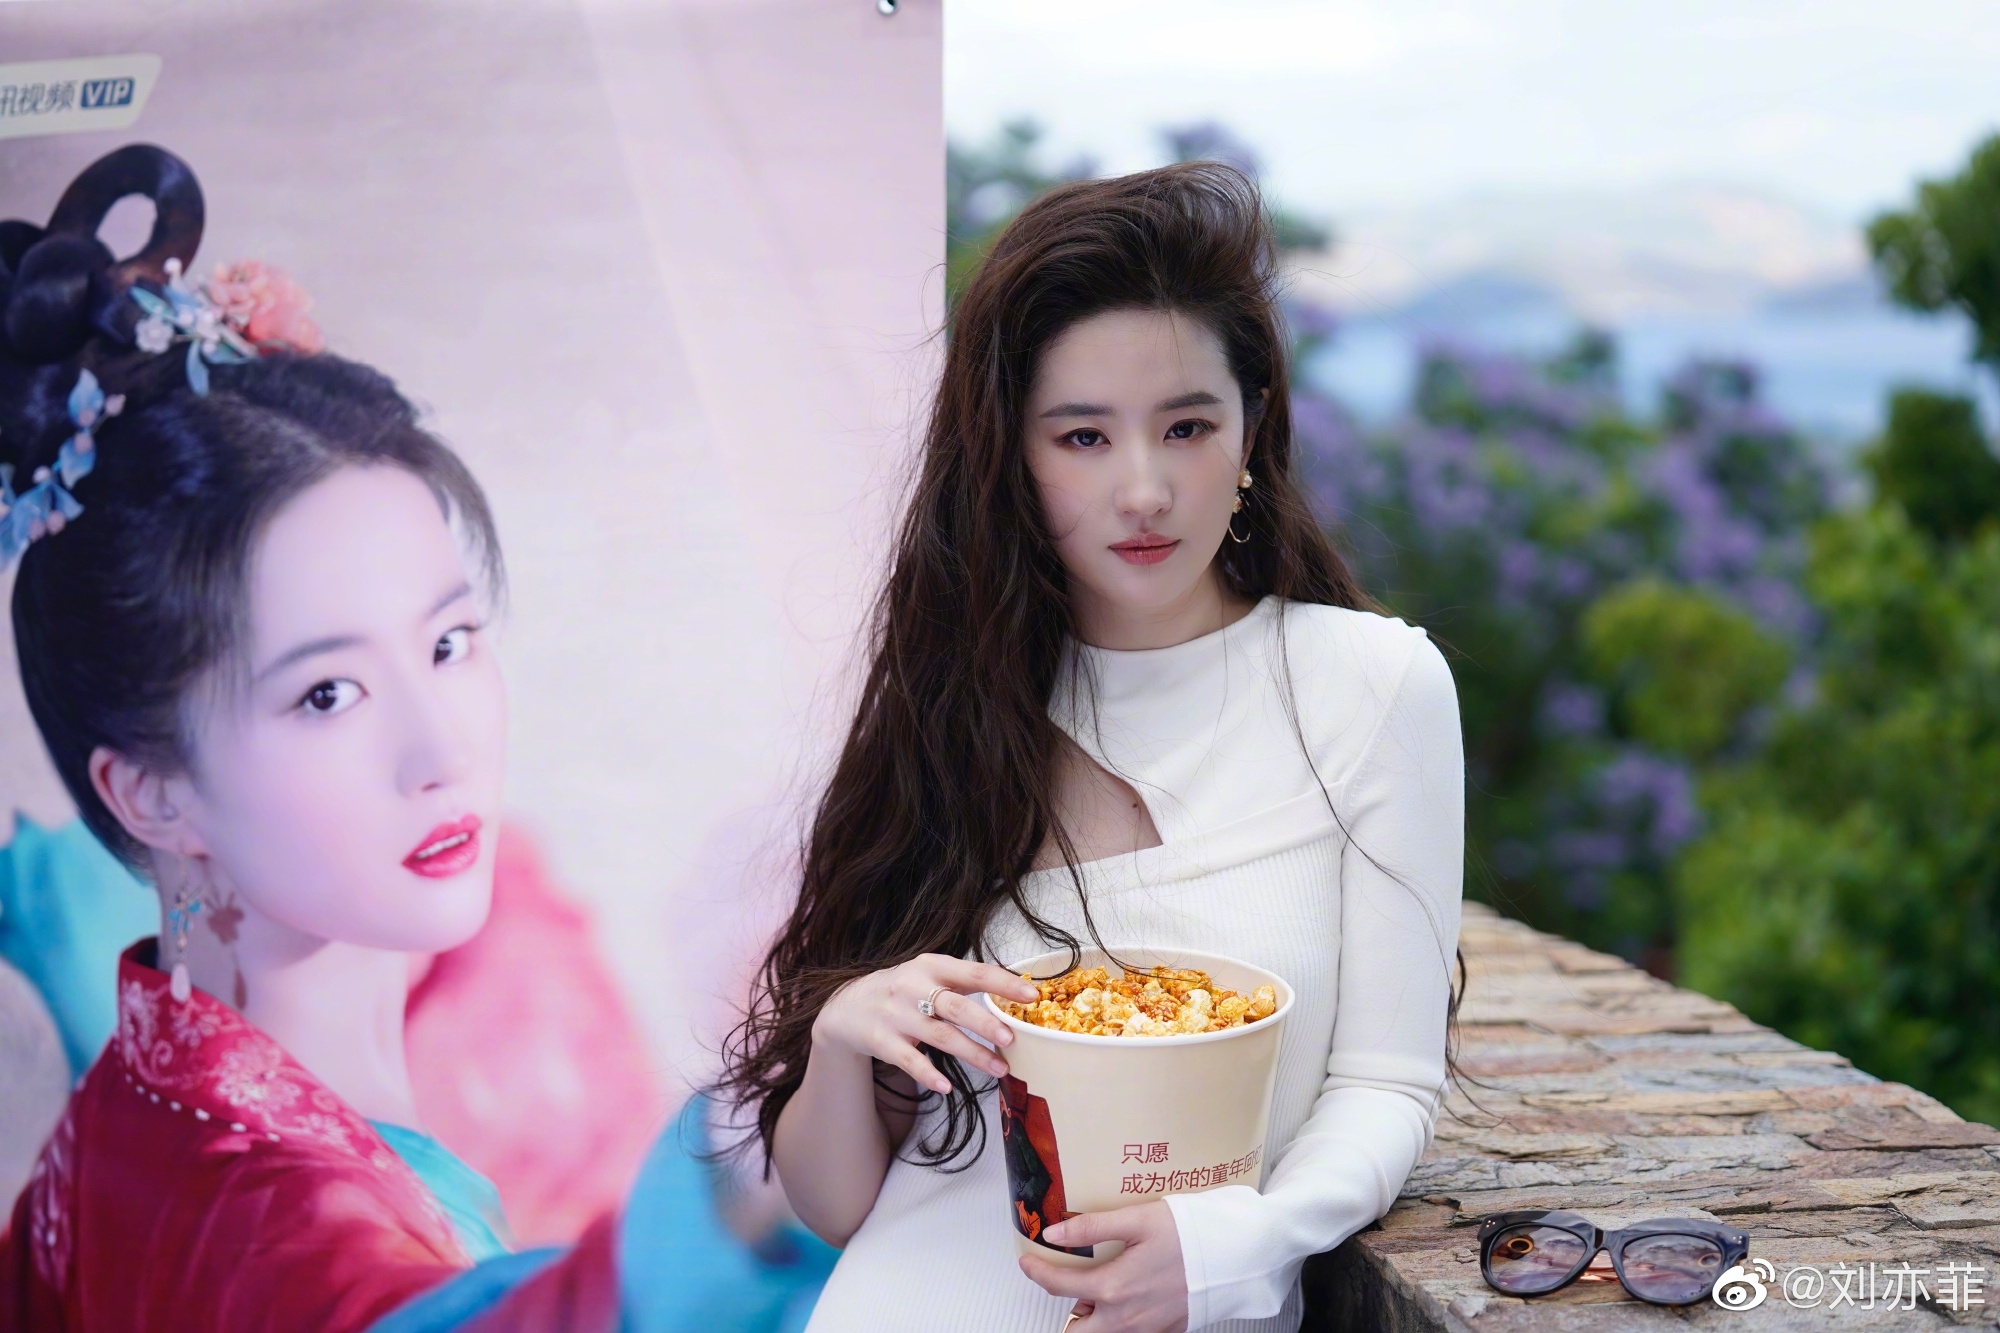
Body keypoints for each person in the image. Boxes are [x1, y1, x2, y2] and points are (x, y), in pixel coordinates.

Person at [0, 144, 831, 1332]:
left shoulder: (132, 1119)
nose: (440, 750)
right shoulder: (270, 1223)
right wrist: (763, 1173)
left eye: (447, 643)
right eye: (326, 694)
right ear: (148, 792)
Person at [718, 162, 1465, 1333]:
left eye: (1186, 426)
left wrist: (1236, 1246)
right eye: (1081, 435)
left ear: (1252, 427)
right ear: (1011, 455)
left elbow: (1385, 1082)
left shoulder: (1369, 687)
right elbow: (838, 1205)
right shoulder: (956, 704)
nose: (1142, 489)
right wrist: (845, 1037)